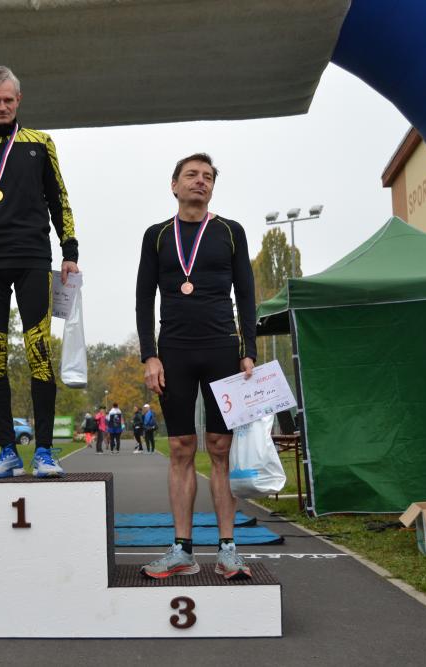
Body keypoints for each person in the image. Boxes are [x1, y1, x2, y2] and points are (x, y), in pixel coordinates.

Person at [0, 65, 79, 479]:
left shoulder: (40, 143)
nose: (2, 106)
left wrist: (70, 250)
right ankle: (6, 450)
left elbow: (59, 199)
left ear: (18, 100)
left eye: (8, 100)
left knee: (39, 352)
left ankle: (44, 451)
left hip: (32, 259)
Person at [135, 153, 257, 580]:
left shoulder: (230, 232)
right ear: (174, 185)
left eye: (207, 177)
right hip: (174, 352)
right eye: (191, 175)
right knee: (181, 448)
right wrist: (149, 355)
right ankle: (182, 550)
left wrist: (249, 350)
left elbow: (246, 294)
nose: (200, 181)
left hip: (222, 349)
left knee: (220, 449)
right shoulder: (156, 236)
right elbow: (143, 298)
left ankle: (228, 550)